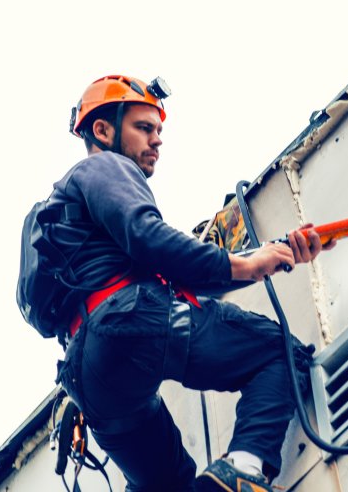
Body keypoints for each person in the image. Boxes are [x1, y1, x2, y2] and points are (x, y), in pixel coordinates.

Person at [44, 74, 332, 491]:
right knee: (279, 352)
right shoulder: (105, 167)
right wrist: (248, 267)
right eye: (144, 127)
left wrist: (269, 256)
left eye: (159, 130)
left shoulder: (66, 221)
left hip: (87, 374)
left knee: (165, 483)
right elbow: (152, 240)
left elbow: (174, 273)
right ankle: (244, 470)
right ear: (102, 130)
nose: (157, 139)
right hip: (133, 321)